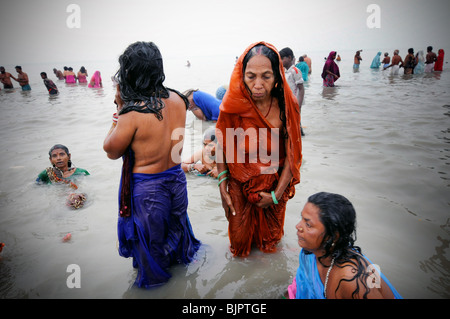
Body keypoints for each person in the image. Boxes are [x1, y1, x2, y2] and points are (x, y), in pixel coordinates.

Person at [103, 41, 201, 288]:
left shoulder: (132, 112)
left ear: (129, 73)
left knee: (150, 245)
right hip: (177, 180)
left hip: (148, 189)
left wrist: (118, 110)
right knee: (175, 231)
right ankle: (183, 285)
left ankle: (156, 289)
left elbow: (111, 151)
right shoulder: (179, 99)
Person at [215, 41, 302, 257]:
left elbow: (292, 156)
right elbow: (222, 145)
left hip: (273, 187)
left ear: (277, 78)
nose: (258, 84)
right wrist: (222, 185)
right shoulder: (233, 105)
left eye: (266, 76)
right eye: (251, 76)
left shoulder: (286, 107)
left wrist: (275, 195)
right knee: (238, 246)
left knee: (270, 247)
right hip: (239, 186)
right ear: (242, 76)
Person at [286, 192, 403, 299]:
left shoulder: (353, 281)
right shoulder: (310, 253)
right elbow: (299, 287)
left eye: (308, 224)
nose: (298, 226)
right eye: (301, 218)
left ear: (332, 236)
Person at [36, 144, 89, 209]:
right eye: (54, 156)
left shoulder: (81, 172)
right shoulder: (46, 174)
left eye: (62, 154)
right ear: (51, 159)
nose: (58, 158)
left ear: (69, 156)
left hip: (75, 203)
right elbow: (37, 188)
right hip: (57, 206)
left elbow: (88, 189)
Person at [279, 47, 305, 136]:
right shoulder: (285, 72)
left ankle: (300, 135)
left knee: (296, 122)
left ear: (289, 58)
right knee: (290, 121)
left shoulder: (295, 71)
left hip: (295, 102)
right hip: (287, 101)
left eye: (282, 59)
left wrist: (299, 105)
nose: (281, 61)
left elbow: (301, 89)